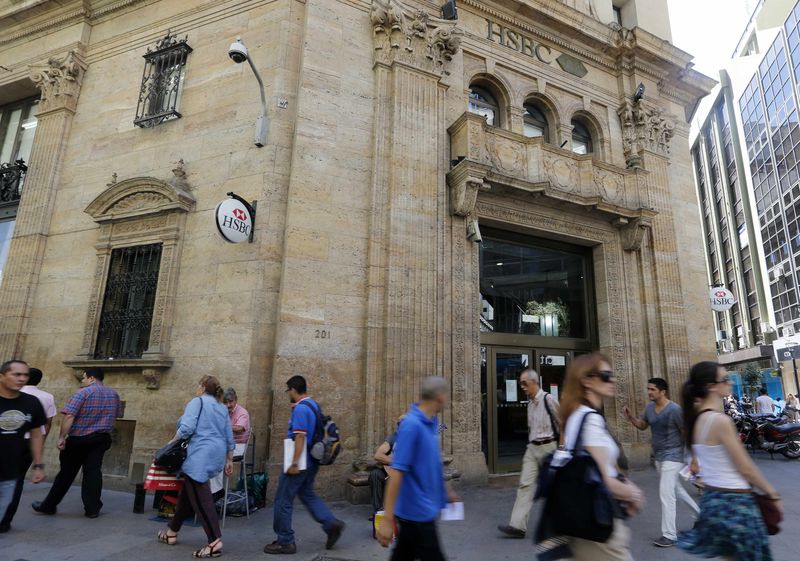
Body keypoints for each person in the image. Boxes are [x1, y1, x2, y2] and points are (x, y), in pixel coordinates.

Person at [677, 361, 780, 561]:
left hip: (713, 502)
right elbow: (745, 468)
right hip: (735, 503)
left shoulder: (696, 420)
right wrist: (772, 494)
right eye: (724, 379)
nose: (730, 383)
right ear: (711, 386)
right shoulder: (720, 421)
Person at [556, 352, 644, 561]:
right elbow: (604, 480)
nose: (612, 379)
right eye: (606, 375)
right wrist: (634, 495)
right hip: (599, 525)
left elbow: (600, 466)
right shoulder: (591, 420)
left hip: (583, 521)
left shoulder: (577, 414)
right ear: (587, 381)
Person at [377, 376, 460, 560]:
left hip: (422, 511)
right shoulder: (412, 425)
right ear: (440, 396)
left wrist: (446, 491)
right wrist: (387, 520)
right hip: (417, 513)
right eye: (447, 395)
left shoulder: (431, 424)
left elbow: (431, 465)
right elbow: (397, 473)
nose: (447, 399)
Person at [264, 375, 345, 555]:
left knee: (283, 500)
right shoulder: (313, 405)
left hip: (300, 462)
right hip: (312, 461)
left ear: (293, 389)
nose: (288, 394)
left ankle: (285, 541)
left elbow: (300, 436)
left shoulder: (301, 409)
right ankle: (331, 524)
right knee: (307, 494)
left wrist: (294, 463)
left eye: (288, 391)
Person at [156, 375, 234, 558]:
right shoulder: (222, 407)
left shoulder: (197, 402)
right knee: (187, 494)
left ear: (202, 387)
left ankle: (215, 540)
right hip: (216, 454)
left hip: (199, 454)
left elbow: (186, 429)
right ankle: (171, 532)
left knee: (201, 497)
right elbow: (229, 436)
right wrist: (229, 460)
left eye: (198, 384)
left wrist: (170, 443)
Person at [32, 367, 120, 518]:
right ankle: (92, 508)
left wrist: (61, 437)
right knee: (93, 472)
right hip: (101, 438)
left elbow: (69, 416)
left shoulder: (83, 392)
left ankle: (49, 505)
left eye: (84, 378)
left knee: (66, 473)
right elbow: (115, 415)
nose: (83, 381)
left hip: (79, 439)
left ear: (92, 378)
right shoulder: (114, 394)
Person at [623, 377, 699, 547]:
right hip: (659, 457)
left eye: (652, 389)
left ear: (663, 392)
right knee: (677, 490)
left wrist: (694, 457)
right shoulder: (650, 408)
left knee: (666, 493)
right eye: (648, 389)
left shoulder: (675, 410)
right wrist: (631, 418)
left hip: (673, 456)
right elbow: (643, 425)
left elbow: (686, 432)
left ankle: (669, 535)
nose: (649, 392)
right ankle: (702, 518)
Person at [497, 368, 559, 538]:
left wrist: (562, 448)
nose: (522, 387)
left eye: (525, 383)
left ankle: (568, 524)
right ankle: (517, 526)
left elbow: (563, 423)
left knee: (556, 488)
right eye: (520, 384)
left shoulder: (549, 399)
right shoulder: (530, 404)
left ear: (534, 382)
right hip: (532, 448)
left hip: (549, 447)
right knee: (525, 485)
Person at [2, 367, 56, 532]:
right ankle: (5, 520)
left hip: (8, 442)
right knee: (16, 481)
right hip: (28, 445)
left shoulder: (10, 394)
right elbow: (46, 425)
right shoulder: (46, 397)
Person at [210, 388, 251, 495]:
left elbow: (239, 428)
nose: (228, 405)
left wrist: (222, 425)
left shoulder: (243, 413)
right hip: (224, 445)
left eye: (230, 401)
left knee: (217, 457)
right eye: (225, 402)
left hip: (238, 446)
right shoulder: (222, 411)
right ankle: (210, 491)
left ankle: (216, 492)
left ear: (236, 400)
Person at [369, 415, 404, 514]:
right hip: (390, 472)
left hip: (407, 474)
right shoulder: (393, 437)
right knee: (375, 474)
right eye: (400, 424)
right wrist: (397, 462)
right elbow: (378, 455)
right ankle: (379, 511)